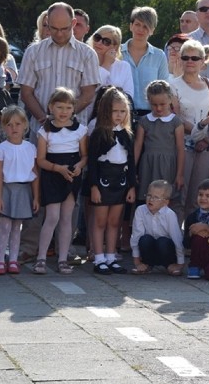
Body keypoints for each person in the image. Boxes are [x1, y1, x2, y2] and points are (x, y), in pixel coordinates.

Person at [17, 2, 100, 128]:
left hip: (74, 131)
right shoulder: (33, 52)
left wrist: (65, 118)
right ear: (47, 23)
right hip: (40, 129)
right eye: (54, 28)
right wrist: (44, 120)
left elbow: (88, 94)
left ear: (73, 23)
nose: (59, 33)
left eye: (64, 29)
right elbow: (26, 93)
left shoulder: (87, 54)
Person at [33, 88, 88, 276]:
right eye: (60, 107)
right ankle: (41, 257)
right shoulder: (44, 131)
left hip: (72, 175)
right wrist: (58, 169)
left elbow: (84, 155)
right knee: (52, 217)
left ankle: (63, 259)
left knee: (66, 218)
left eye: (68, 107)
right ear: (51, 107)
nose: (64, 111)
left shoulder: (80, 130)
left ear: (74, 109)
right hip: (53, 175)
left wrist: (79, 166)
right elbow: (40, 160)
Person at [86, 88, 136, 275]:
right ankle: (99, 258)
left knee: (114, 221)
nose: (119, 115)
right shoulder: (100, 133)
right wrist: (94, 186)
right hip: (102, 180)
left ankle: (110, 256)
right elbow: (92, 162)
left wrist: (131, 186)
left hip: (120, 180)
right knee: (100, 221)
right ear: (106, 111)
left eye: (123, 111)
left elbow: (131, 161)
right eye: (115, 111)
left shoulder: (127, 133)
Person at [170, 40, 209, 215]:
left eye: (194, 57)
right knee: (179, 195)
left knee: (199, 197)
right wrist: (200, 135)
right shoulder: (173, 85)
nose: (190, 61)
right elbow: (176, 117)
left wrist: (206, 140)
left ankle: (191, 236)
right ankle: (175, 238)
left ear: (202, 61)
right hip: (183, 145)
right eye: (185, 57)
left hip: (205, 146)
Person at [0, 106, 39, 275]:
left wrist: (36, 197)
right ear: (4, 127)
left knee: (17, 228)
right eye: (10, 125)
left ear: (25, 125)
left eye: (18, 124)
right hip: (6, 190)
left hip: (23, 190)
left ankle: (13, 260)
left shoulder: (30, 148)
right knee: (4, 227)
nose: (14, 128)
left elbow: (34, 174)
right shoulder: (1, 149)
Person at [134, 80, 186, 219]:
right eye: (154, 104)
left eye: (162, 104)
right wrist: (133, 169)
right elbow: (138, 146)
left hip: (168, 166)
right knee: (148, 200)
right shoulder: (144, 121)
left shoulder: (175, 122)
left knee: (166, 200)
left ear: (170, 99)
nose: (158, 108)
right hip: (148, 166)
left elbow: (180, 148)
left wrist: (180, 174)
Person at [130, 180, 185, 276]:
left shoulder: (169, 214)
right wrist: (137, 261)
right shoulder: (140, 210)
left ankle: (169, 265)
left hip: (165, 249)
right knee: (144, 239)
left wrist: (180, 264)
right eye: (149, 195)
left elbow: (177, 238)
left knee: (162, 241)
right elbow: (136, 235)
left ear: (165, 202)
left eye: (156, 197)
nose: (151, 200)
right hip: (150, 247)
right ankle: (147, 265)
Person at [122, 6, 169, 116]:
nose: (140, 29)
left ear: (152, 30)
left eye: (145, 26)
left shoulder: (159, 56)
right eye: (137, 24)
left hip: (151, 115)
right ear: (131, 26)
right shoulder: (117, 53)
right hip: (121, 114)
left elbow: (164, 89)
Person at [89, 25, 134, 99]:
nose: (99, 43)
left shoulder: (124, 66)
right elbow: (92, 89)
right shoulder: (85, 62)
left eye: (106, 41)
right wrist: (106, 65)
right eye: (97, 38)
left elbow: (129, 96)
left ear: (115, 46)